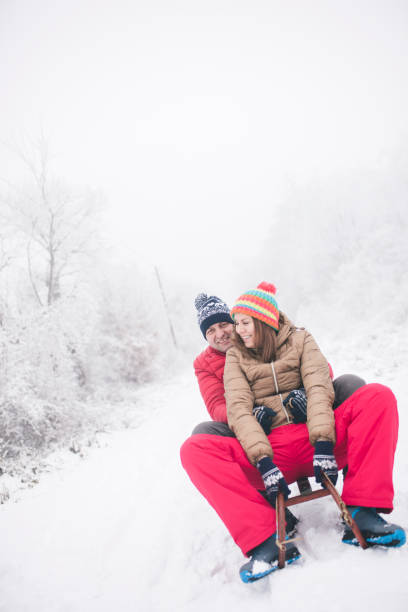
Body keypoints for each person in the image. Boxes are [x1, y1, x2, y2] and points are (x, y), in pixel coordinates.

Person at [181, 283, 406, 583]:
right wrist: (257, 437)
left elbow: (319, 380)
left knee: (375, 395)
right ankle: (265, 536)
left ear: (262, 320)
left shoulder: (300, 339)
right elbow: (229, 406)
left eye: (233, 324)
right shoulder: (232, 359)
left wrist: (314, 418)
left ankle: (363, 508)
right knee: (195, 445)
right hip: (268, 449)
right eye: (213, 330)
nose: (228, 332)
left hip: (314, 433)